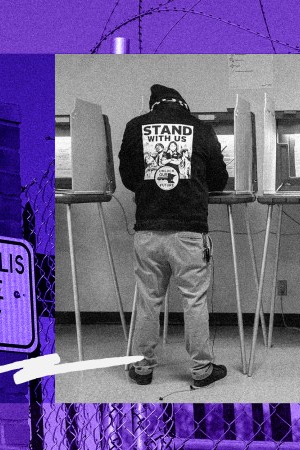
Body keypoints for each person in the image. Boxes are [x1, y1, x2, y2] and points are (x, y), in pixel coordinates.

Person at [119, 84, 229, 388]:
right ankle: (201, 369)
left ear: (154, 105)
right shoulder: (201, 129)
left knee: (148, 300)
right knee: (194, 300)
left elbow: (129, 178)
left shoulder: (135, 126)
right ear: (183, 105)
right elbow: (219, 179)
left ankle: (143, 368)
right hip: (189, 232)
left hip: (148, 230)